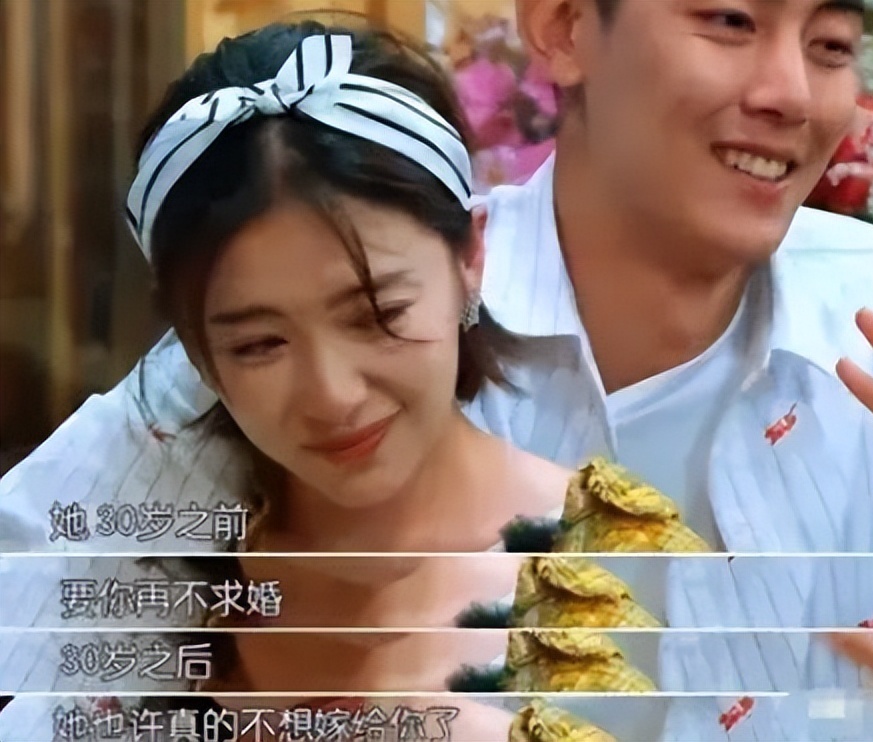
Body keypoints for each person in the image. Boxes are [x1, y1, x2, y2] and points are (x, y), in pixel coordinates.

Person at [1, 0, 873, 738]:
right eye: (729, 22)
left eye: (829, 44)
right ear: (564, 28)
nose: (789, 93)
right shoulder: (328, 319)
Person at [0, 22, 700, 740]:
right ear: (196, 352)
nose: (332, 395)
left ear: (470, 259)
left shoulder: (633, 573)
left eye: (376, 314)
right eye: (259, 344)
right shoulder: (155, 581)